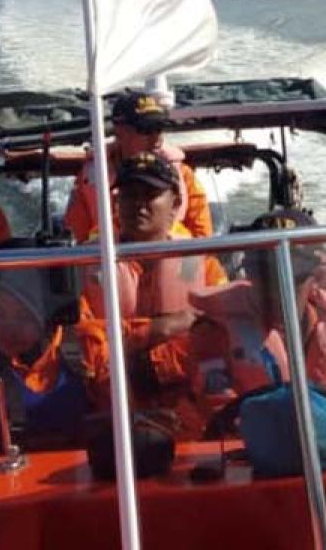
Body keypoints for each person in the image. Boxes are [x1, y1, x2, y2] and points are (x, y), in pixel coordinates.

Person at [188, 209, 326, 431]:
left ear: (314, 274)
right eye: (264, 274)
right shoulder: (213, 334)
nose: (278, 288)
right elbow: (216, 414)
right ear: (248, 274)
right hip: (253, 461)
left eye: (292, 275)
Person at [76, 152, 216, 438]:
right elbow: (87, 348)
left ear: (175, 203)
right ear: (115, 203)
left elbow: (215, 339)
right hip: (111, 424)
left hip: (189, 421)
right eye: (129, 195)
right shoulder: (86, 266)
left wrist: (151, 363)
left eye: (150, 194)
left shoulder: (204, 266)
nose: (137, 205)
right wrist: (158, 329)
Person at [0, 265, 91, 457]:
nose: (9, 329)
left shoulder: (89, 349)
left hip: (74, 484)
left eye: (23, 316)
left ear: (47, 319)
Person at [64, 92, 212, 243]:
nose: (157, 138)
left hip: (171, 259)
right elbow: (76, 240)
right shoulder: (89, 177)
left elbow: (204, 241)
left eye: (159, 128)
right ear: (120, 131)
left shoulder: (184, 175)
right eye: (146, 129)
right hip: (109, 261)